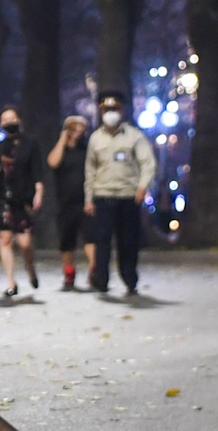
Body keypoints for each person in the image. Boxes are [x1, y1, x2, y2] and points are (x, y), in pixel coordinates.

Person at [84, 89, 155, 295]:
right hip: (103, 196)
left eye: (114, 108)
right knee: (102, 241)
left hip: (128, 197)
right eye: (107, 109)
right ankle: (101, 280)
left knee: (128, 241)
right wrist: (88, 198)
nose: (111, 112)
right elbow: (90, 170)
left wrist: (142, 186)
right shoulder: (96, 138)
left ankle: (130, 279)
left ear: (122, 110)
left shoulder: (134, 136)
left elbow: (148, 163)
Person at [0, 106, 43, 297]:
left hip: (22, 197)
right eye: (4, 120)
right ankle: (11, 282)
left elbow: (37, 171)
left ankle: (30, 266)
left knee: (25, 242)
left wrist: (38, 192)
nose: (8, 122)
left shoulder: (30, 144)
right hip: (2, 196)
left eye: (12, 118)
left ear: (19, 120)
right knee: (5, 239)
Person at [47, 114, 93, 291]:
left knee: (90, 237)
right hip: (65, 202)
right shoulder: (61, 150)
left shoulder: (86, 149)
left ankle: (93, 271)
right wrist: (62, 140)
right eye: (73, 128)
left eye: (81, 129)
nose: (78, 132)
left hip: (86, 201)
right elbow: (52, 162)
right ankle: (69, 272)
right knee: (67, 241)